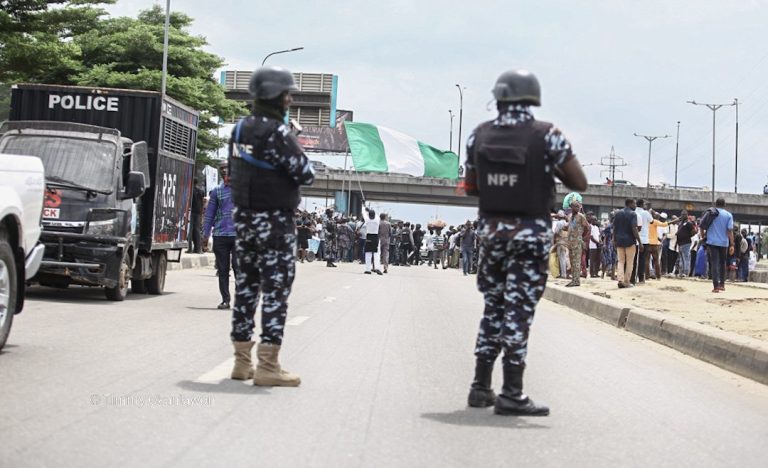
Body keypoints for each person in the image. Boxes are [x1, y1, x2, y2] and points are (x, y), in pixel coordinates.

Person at [463, 69, 587, 416]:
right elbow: (580, 181)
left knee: (494, 307)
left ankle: (480, 386)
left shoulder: (478, 135)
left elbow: (472, 187)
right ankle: (512, 392)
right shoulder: (547, 136)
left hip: (491, 235)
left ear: (499, 97)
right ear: (532, 98)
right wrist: (548, 170)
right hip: (530, 237)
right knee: (518, 310)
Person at [227, 66, 314, 386]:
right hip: (275, 223)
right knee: (276, 291)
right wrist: (294, 140)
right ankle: (268, 366)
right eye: (287, 94)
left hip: (244, 221)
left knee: (246, 290)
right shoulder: (278, 133)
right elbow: (305, 173)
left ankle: (241, 362)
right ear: (275, 97)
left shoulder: (239, 130)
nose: (290, 99)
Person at [202, 161, 237, 309]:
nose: (224, 171)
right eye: (222, 169)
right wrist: (205, 234)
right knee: (222, 270)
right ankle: (225, 300)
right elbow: (209, 214)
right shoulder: (217, 191)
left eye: (227, 168)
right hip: (220, 235)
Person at [702, 198, 734, 293]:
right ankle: (722, 285)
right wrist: (732, 244)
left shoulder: (711, 213)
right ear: (725, 205)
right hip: (724, 243)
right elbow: (730, 231)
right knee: (722, 263)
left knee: (714, 263)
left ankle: (715, 286)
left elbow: (702, 225)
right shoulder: (728, 215)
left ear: (716, 204)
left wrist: (703, 236)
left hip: (712, 242)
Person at [612, 199, 642, 288]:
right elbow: (634, 229)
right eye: (634, 204)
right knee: (630, 262)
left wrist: (614, 240)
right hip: (630, 241)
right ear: (629, 204)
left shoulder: (618, 213)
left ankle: (620, 280)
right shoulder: (633, 214)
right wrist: (640, 242)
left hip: (619, 240)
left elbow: (614, 228)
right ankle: (626, 281)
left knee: (620, 261)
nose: (635, 205)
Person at [565, 200, 589, 287]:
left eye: (578, 206)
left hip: (577, 242)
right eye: (575, 206)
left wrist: (581, 236)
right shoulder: (570, 216)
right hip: (570, 242)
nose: (577, 208)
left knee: (576, 262)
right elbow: (569, 227)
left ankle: (576, 281)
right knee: (572, 261)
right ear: (571, 207)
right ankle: (573, 280)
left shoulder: (581, 216)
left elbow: (587, 227)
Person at [635, 199, 653, 283]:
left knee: (634, 259)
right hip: (644, 240)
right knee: (642, 260)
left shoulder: (634, 212)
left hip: (634, 239)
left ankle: (633, 278)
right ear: (642, 205)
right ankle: (641, 278)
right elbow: (652, 221)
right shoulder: (646, 213)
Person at [674, 210, 696, 278]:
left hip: (686, 243)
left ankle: (686, 272)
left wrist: (688, 236)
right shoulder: (681, 223)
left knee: (686, 258)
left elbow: (694, 231)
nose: (682, 216)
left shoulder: (689, 223)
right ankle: (681, 272)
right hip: (680, 243)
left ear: (687, 215)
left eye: (684, 214)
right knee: (681, 258)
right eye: (682, 214)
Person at [187, 178, 205, 254]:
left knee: (190, 230)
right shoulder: (201, 191)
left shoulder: (190, 191)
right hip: (198, 212)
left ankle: (190, 249)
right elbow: (202, 202)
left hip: (191, 212)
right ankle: (198, 249)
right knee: (197, 230)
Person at [363, 209, 383, 275]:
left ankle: (368, 269)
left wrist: (365, 209)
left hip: (368, 236)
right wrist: (369, 210)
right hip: (375, 236)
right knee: (376, 254)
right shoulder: (377, 219)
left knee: (368, 254)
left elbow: (363, 212)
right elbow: (376, 214)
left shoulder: (367, 219)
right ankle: (377, 268)